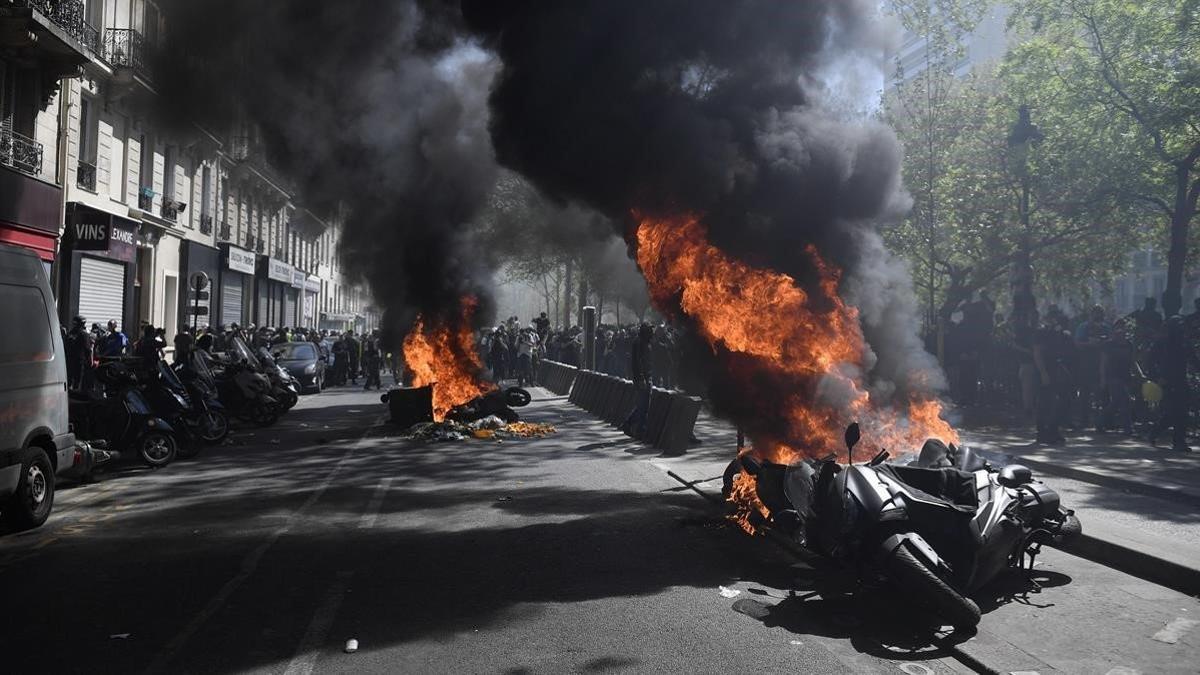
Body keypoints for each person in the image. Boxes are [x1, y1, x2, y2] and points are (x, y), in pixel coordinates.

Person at [1149, 316, 1193, 452]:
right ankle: (1177, 440)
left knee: (1181, 411)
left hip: (1181, 380)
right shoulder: (1162, 342)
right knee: (1175, 411)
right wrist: (1157, 377)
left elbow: (1193, 359)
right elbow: (1150, 360)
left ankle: (1163, 435)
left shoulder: (1185, 342)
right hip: (1167, 381)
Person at [1033, 314, 1067, 445]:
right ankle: (1042, 433)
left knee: (1057, 402)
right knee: (1044, 402)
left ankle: (1053, 430)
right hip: (1045, 371)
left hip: (1056, 370)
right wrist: (1043, 373)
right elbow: (1037, 353)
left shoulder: (1058, 334)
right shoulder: (1041, 333)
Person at [620, 323, 655, 437]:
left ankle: (629, 424)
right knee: (643, 406)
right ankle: (639, 429)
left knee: (643, 405)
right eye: (650, 331)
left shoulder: (644, 342)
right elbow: (637, 362)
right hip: (642, 378)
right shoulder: (639, 342)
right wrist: (641, 378)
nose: (652, 333)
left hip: (646, 376)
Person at [64, 316, 94, 391]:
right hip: (79, 361)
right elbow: (88, 349)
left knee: (69, 379)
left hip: (69, 361)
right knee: (78, 381)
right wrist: (90, 361)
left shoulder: (69, 333)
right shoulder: (84, 334)